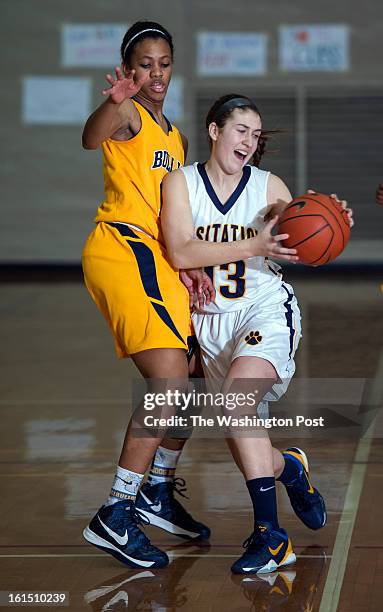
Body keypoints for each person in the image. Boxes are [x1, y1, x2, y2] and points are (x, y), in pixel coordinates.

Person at [161, 94, 353, 574]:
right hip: (209, 328)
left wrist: (329, 218)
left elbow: (294, 229)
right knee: (255, 454)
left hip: (264, 312)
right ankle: (293, 470)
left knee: (234, 404)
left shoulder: (267, 186)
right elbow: (182, 251)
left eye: (255, 134)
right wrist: (254, 242)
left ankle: (270, 537)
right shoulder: (180, 183)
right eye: (241, 130)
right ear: (214, 130)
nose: (249, 140)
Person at [81, 21, 212, 570]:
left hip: (159, 257)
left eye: (163, 63)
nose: (154, 73)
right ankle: (116, 510)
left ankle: (156, 491)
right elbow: (92, 137)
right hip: (121, 248)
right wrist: (112, 104)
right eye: (144, 64)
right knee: (168, 381)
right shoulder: (130, 114)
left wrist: (187, 265)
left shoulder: (175, 135)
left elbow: (171, 215)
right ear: (129, 69)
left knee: (198, 372)